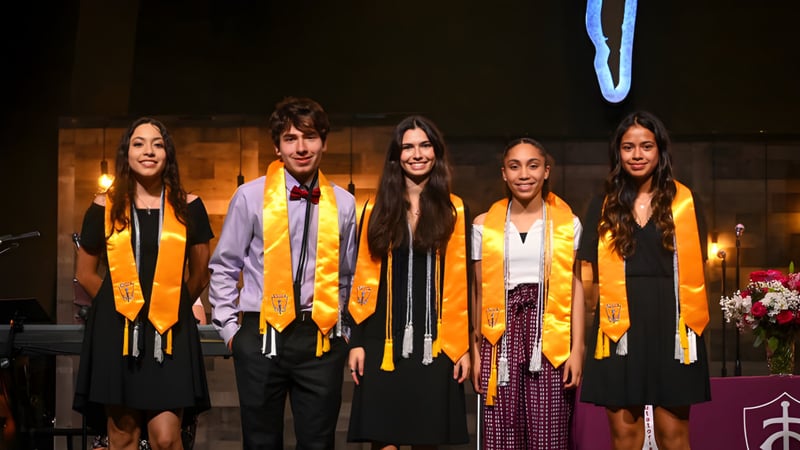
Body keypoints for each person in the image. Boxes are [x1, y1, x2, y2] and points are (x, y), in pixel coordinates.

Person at [208, 97, 357, 449]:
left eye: (310, 137)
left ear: (324, 142)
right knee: (260, 442)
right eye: (291, 139)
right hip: (261, 334)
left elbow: (348, 275)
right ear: (277, 147)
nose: (301, 148)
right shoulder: (249, 196)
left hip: (320, 336)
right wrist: (231, 332)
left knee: (318, 443)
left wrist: (346, 331)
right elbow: (225, 265)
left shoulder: (344, 203)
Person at [73, 117, 213, 450]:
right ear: (127, 153)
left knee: (166, 438)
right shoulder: (103, 206)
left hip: (170, 331)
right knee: (123, 437)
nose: (148, 151)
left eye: (157, 144)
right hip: (117, 331)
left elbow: (199, 274)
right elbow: (86, 273)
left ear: (168, 154)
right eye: (139, 144)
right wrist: (119, 306)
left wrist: (172, 303)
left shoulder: (189, 206)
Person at [578, 111, 710, 450]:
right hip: (617, 328)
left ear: (660, 150)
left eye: (646, 146)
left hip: (673, 328)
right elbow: (587, 274)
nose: (637, 155)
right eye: (628, 147)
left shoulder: (685, 202)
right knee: (625, 437)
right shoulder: (603, 205)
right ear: (618, 152)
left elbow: (699, 272)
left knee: (673, 437)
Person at [347, 115, 471, 448]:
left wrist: (462, 348)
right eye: (408, 147)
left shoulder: (455, 210)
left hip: (435, 343)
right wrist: (357, 341)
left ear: (436, 152)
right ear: (396, 155)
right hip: (383, 341)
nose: (417, 154)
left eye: (425, 145)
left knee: (426, 437)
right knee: (384, 439)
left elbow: (462, 284)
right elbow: (363, 279)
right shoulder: (375, 209)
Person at [470, 138, 585, 449]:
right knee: (502, 430)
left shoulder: (566, 223)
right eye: (514, 166)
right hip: (500, 334)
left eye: (533, 166)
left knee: (548, 430)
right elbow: (479, 291)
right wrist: (477, 351)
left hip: (549, 331)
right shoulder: (484, 225)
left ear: (546, 171)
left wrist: (577, 349)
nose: (524, 174)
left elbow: (574, 286)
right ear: (504, 173)